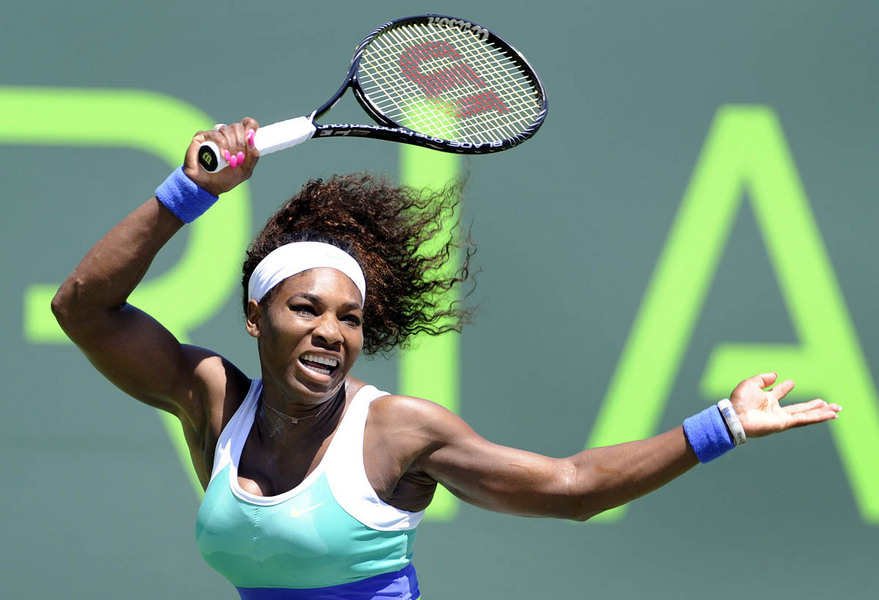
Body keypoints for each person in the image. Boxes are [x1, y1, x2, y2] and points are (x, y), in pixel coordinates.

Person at [52, 118, 841, 600]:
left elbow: (571, 489)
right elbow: (82, 308)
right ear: (255, 318)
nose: (332, 331)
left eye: (350, 318)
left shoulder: (398, 434)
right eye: (306, 309)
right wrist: (187, 192)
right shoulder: (212, 400)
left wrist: (721, 426)